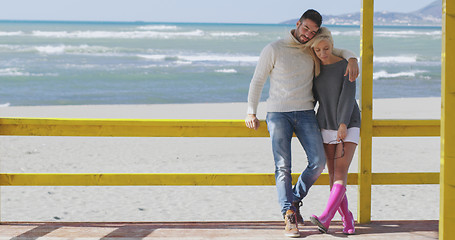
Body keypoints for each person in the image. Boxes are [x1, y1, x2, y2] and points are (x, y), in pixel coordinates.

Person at [244, 9, 359, 238]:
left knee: (318, 163)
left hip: (307, 112)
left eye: (313, 32)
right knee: (283, 166)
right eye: (306, 28)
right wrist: (251, 111)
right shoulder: (274, 48)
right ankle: (289, 214)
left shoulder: (312, 49)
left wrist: (353, 57)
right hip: (278, 113)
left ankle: (294, 199)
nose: (307, 34)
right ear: (298, 24)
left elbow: (334, 51)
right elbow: (258, 80)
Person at [308, 27, 360, 235]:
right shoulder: (315, 69)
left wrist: (343, 124)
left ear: (332, 45)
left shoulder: (346, 66)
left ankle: (325, 218)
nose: (323, 53)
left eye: (326, 48)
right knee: (332, 176)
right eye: (318, 50)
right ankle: (347, 218)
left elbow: (348, 96)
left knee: (340, 173)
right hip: (324, 124)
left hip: (348, 123)